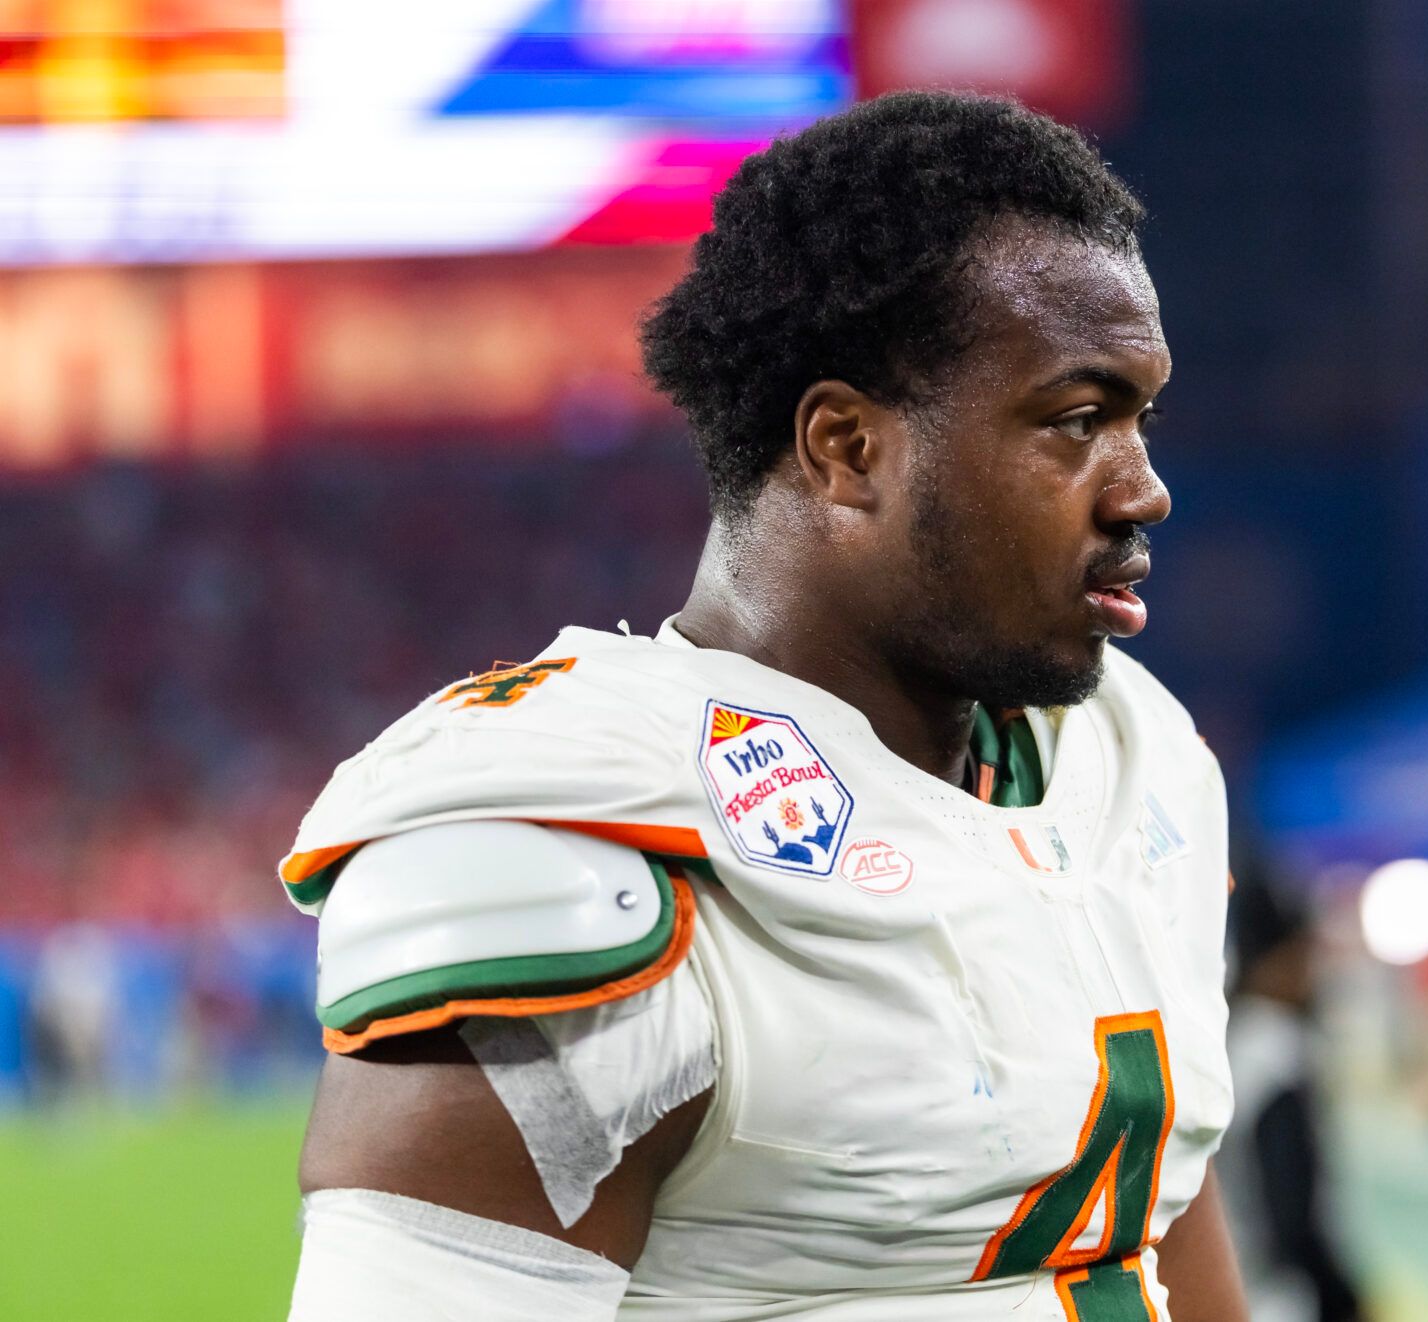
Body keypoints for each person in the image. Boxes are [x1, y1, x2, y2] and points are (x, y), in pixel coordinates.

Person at [281, 92, 1246, 1322]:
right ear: (846, 446)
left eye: (1140, 417)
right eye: (1075, 419)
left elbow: (1154, 1223)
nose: (1144, 490)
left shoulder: (1133, 758)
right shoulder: (581, 856)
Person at [1218, 870, 1366, 1322]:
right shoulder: (1276, 1052)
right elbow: (1293, 1216)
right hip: (1276, 1297)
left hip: (1225, 1287)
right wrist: (1345, 1299)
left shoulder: (1225, 1041)